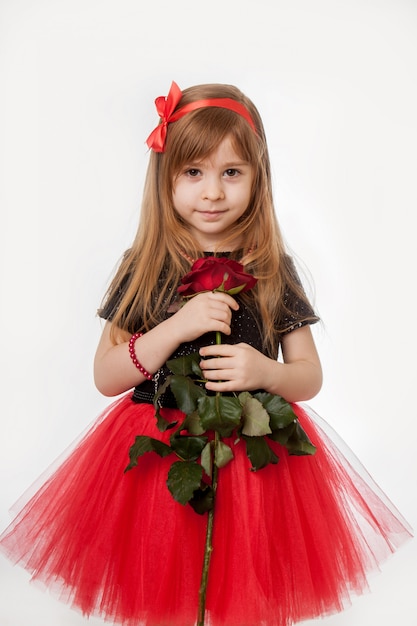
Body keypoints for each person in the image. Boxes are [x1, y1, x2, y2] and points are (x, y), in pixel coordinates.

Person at [0, 80, 412, 626]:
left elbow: (309, 376)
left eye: (231, 172)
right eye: (193, 173)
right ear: (165, 177)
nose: (212, 192)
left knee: (243, 597)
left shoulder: (270, 268)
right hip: (162, 453)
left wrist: (265, 371)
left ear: (257, 178)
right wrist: (176, 327)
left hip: (252, 463)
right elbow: (106, 375)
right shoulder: (145, 265)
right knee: (167, 593)